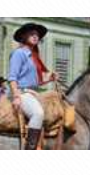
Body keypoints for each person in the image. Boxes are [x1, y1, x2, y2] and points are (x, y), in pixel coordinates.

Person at [7, 22, 57, 150]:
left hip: (33, 93)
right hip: (22, 93)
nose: (36, 36)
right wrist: (17, 96)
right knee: (38, 114)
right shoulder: (19, 54)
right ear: (24, 37)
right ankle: (30, 149)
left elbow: (35, 81)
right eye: (32, 34)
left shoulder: (34, 57)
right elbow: (12, 78)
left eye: (37, 35)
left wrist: (50, 78)